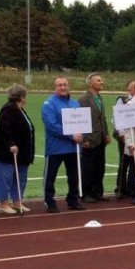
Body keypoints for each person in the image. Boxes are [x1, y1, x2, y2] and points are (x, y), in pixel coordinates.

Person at [0, 84, 35, 215]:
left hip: (21, 154)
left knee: (19, 178)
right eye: (25, 96)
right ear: (21, 97)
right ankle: (3, 204)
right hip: (7, 153)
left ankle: (17, 201)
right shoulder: (9, 109)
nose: (26, 98)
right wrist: (11, 144)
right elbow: (3, 128)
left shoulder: (20, 109)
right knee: (6, 177)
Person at [41, 77, 85, 213]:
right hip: (55, 147)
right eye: (60, 85)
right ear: (55, 87)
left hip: (73, 148)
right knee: (50, 176)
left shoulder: (74, 103)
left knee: (74, 176)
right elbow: (52, 125)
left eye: (65, 84)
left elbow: (82, 122)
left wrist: (83, 135)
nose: (63, 87)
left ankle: (73, 199)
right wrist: (72, 135)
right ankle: (49, 201)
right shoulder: (49, 104)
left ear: (69, 86)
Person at [79, 73, 110, 203]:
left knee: (99, 167)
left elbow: (102, 118)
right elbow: (81, 119)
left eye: (101, 79)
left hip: (100, 138)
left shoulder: (99, 97)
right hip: (90, 139)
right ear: (91, 83)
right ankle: (85, 193)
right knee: (88, 168)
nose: (101, 82)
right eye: (98, 80)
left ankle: (97, 192)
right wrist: (84, 139)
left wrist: (106, 134)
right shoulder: (84, 99)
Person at [113, 80, 134, 200]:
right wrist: (121, 133)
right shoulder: (122, 100)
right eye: (132, 87)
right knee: (124, 161)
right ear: (128, 89)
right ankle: (120, 188)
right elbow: (116, 118)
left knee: (134, 162)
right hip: (124, 135)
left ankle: (131, 187)